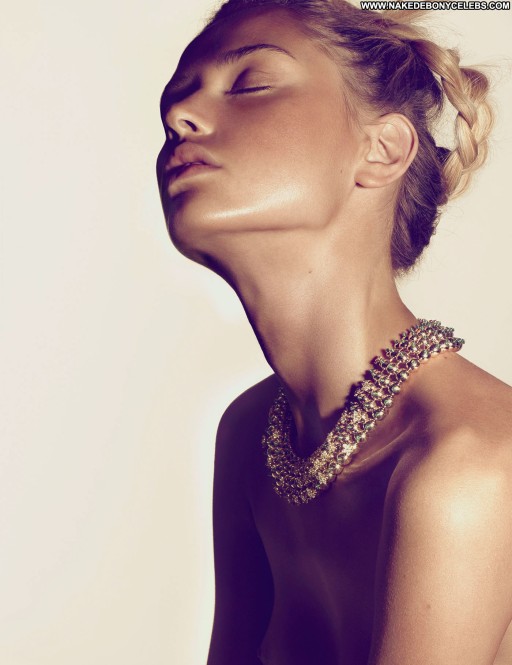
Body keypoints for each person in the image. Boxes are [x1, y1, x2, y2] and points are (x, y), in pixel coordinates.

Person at [156, 1, 512, 663]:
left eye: (250, 84)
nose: (180, 116)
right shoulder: (255, 435)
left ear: (382, 149)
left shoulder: (469, 463)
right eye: (172, 104)